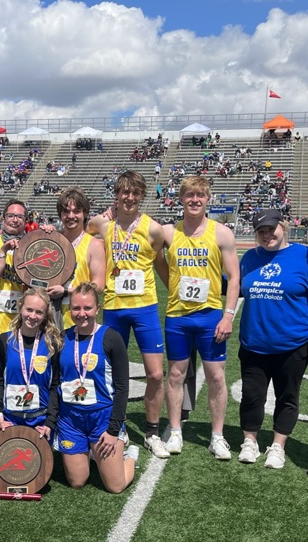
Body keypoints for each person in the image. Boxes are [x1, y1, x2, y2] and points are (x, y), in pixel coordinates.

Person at [157, 175, 240, 459]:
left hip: (210, 317)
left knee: (216, 377)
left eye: (200, 195)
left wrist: (228, 315)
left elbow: (234, 276)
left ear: (207, 199)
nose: (195, 200)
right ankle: (176, 431)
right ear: (180, 199)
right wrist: (171, 284)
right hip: (178, 317)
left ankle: (217, 436)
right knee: (176, 375)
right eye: (189, 195)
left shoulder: (221, 233)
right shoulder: (169, 232)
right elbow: (152, 253)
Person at [87, 170, 169, 459]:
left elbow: (159, 260)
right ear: (116, 195)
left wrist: (173, 288)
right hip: (113, 307)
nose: (129, 197)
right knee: (109, 373)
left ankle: (151, 431)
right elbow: (84, 233)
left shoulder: (153, 229)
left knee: (156, 374)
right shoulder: (104, 224)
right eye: (124, 192)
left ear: (142, 196)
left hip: (144, 306)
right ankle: (114, 426)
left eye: (135, 193)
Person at [237, 209, 308, 468]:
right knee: (251, 395)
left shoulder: (306, 256)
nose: (266, 234)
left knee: (287, 396)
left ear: (283, 227)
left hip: (293, 343)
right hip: (254, 342)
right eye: (260, 230)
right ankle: (250, 441)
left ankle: (278, 446)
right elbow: (231, 288)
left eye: (271, 229)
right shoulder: (250, 257)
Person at [55, 282, 136, 493]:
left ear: (97, 309)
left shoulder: (111, 338)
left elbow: (122, 388)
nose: (82, 314)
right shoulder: (62, 338)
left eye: (87, 308)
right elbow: (55, 383)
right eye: (76, 308)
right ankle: (90, 451)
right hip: (71, 419)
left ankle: (130, 456)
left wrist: (113, 429)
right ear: (69, 309)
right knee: (77, 481)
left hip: (102, 419)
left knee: (116, 486)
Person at [0, 288, 61, 442]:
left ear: (45, 315)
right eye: (29, 309)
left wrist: (50, 421)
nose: (32, 316)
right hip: (10, 419)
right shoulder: (5, 341)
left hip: (40, 421)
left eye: (39, 312)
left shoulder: (52, 343)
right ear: (20, 307)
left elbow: (56, 385)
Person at [50, 187, 105, 329]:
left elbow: (98, 285)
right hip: (48, 315)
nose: (71, 216)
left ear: (85, 213)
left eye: (76, 211)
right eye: (66, 211)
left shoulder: (94, 245)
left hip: (80, 318)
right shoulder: (52, 240)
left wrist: (67, 291)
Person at [0, 199, 29, 356]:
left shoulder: (32, 245)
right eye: (10, 215)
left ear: (25, 221)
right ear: (3, 219)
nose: (15, 220)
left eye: (20, 217)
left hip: (23, 322)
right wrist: (4, 250)